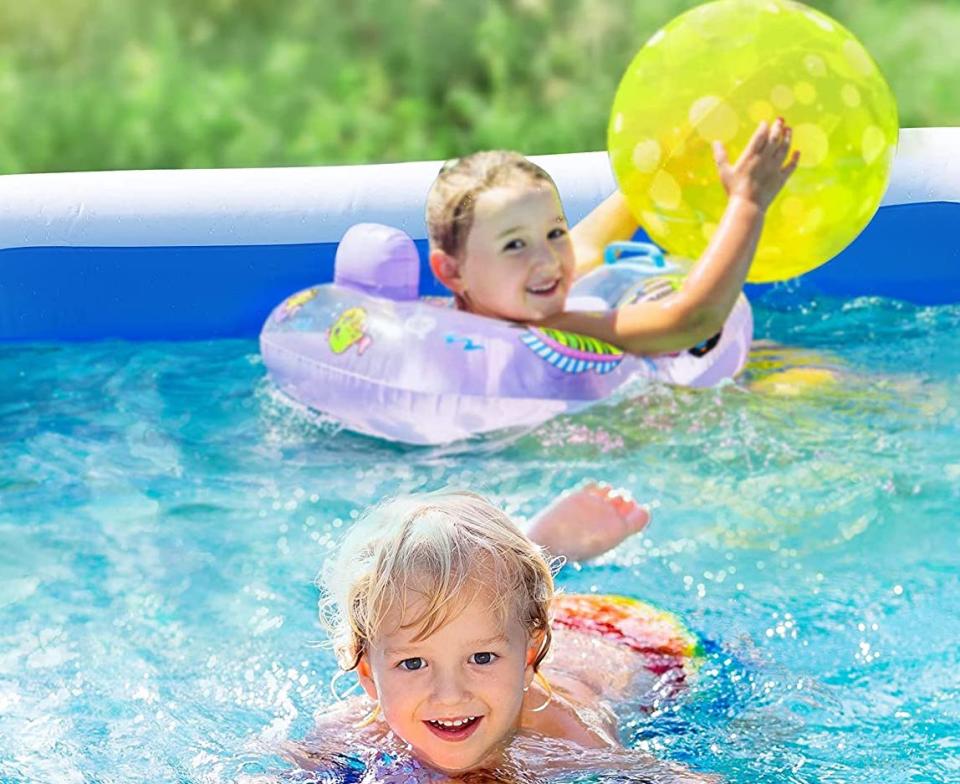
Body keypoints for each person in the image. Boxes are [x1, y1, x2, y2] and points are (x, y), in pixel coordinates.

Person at [284, 490, 715, 783]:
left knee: (494, 604)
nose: (449, 695)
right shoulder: (349, 735)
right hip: (513, 625)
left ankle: (545, 549)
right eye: (413, 663)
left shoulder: (565, 739)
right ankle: (536, 550)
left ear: (530, 656)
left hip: (619, 643)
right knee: (486, 607)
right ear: (369, 676)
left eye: (482, 659)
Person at [426, 119, 798, 356]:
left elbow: (585, 247)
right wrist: (748, 202)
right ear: (451, 272)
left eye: (555, 232)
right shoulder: (544, 332)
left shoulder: (475, 308)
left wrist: (662, 169)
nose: (549, 260)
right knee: (804, 374)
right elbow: (691, 321)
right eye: (514, 245)